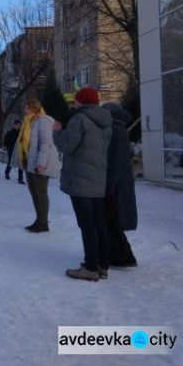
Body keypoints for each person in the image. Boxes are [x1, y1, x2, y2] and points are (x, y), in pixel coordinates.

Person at [53, 87, 113, 281]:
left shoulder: (79, 119)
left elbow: (66, 146)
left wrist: (58, 132)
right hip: (98, 179)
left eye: (76, 100)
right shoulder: (106, 122)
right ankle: (103, 264)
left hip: (80, 179)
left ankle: (90, 267)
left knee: (86, 224)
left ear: (81, 102)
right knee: (98, 223)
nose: (74, 103)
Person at [14, 101, 61, 233]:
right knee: (34, 192)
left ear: (35, 109)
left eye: (27, 108)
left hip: (39, 164)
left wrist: (41, 163)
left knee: (41, 192)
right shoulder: (30, 122)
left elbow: (46, 143)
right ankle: (39, 219)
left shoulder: (44, 121)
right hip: (30, 162)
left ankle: (43, 222)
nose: (25, 111)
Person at [101, 102, 138, 268]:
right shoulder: (118, 128)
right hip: (117, 182)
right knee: (112, 220)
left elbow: (114, 162)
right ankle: (122, 255)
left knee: (112, 220)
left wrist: (109, 187)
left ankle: (123, 256)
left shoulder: (115, 130)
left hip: (115, 184)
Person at [3, 119, 24, 184]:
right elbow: (5, 141)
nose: (18, 126)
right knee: (10, 162)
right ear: (14, 125)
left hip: (20, 150)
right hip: (12, 150)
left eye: (20, 125)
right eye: (17, 125)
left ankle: (20, 178)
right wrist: (9, 147)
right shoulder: (9, 133)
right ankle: (7, 173)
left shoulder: (21, 133)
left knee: (21, 164)